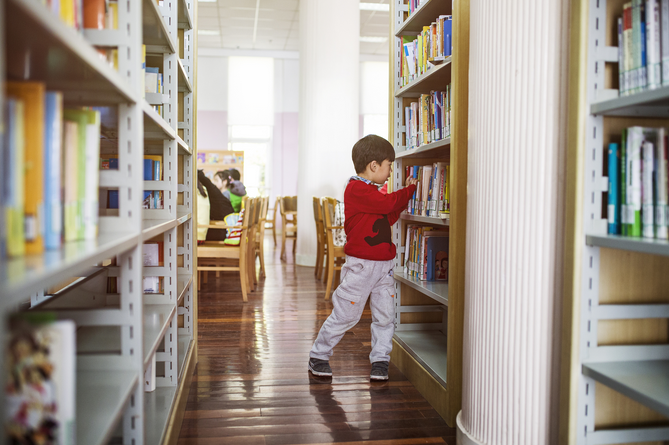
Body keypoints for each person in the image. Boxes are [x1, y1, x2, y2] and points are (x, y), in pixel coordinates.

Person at [308, 134, 419, 381]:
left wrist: (399, 202)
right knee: (345, 314)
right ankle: (319, 355)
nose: (390, 171)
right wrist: (410, 190)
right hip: (361, 267)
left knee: (385, 316)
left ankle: (380, 360)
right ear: (374, 166)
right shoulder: (357, 188)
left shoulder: (373, 194)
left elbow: (387, 216)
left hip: (384, 268)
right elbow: (389, 204)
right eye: (389, 165)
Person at [198, 170, 234, 241]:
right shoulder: (213, 190)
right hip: (227, 229)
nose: (214, 182)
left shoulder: (205, 189)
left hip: (224, 230)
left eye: (216, 180)